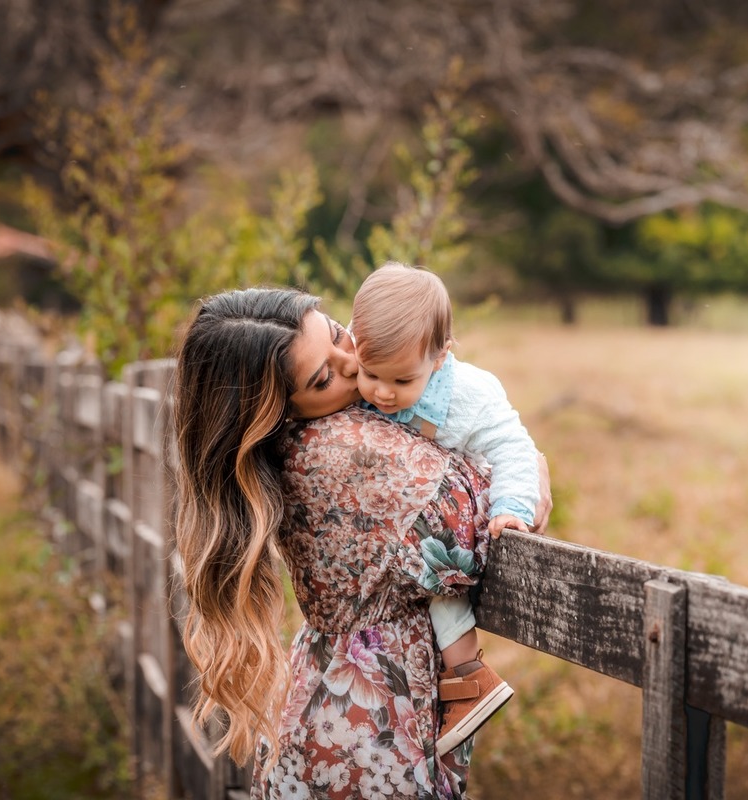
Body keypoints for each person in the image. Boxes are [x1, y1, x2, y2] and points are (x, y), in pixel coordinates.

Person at [172, 288, 547, 799]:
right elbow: (469, 537)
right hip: (366, 736)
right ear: (275, 411)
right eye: (322, 377)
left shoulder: (327, 427)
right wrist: (530, 467)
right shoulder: (341, 447)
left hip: (337, 709)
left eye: (337, 334)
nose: (353, 363)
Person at [351, 261, 542, 756]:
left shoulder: (469, 396)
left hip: (451, 520)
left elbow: (513, 448)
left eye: (401, 380)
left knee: (438, 574)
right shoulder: (358, 371)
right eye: (370, 375)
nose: (382, 392)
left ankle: (468, 676)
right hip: (398, 520)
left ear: (440, 357)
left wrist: (512, 506)